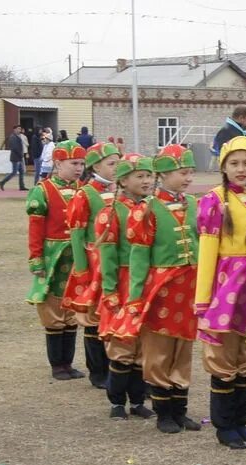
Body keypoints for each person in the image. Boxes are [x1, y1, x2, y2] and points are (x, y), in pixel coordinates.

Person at [114, 144, 201, 434]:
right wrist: (135, 297)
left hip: (190, 288)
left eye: (190, 172)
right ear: (163, 174)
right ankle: (163, 411)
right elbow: (139, 257)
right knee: (160, 349)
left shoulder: (194, 203)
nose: (188, 178)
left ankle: (180, 409)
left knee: (184, 349)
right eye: (182, 173)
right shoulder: (147, 210)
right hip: (161, 290)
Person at [195, 136, 246, 450]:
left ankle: (242, 423)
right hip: (227, 287)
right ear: (223, 167)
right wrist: (203, 298)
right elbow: (208, 250)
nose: (241, 169)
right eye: (234, 163)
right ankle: (224, 425)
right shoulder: (214, 200)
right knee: (224, 355)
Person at [96, 154, 156, 420]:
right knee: (123, 345)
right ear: (123, 180)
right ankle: (117, 401)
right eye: (139, 176)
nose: (146, 181)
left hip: (147, 283)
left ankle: (138, 400)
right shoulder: (111, 212)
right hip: (122, 282)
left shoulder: (153, 209)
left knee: (143, 344)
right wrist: (110, 291)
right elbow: (107, 257)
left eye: (149, 175)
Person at [61, 141, 122, 389]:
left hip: (116, 262)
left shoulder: (120, 190)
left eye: (119, 162)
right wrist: (82, 269)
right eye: (112, 163)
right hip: (94, 264)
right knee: (94, 318)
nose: (117, 168)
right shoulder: (85, 194)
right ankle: (98, 372)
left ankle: (117, 367)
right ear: (96, 165)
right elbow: (76, 233)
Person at [26, 140, 85, 379]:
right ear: (58, 163)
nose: (79, 168)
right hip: (54, 257)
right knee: (53, 308)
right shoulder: (43, 190)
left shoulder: (83, 188)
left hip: (77, 257)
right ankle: (57, 365)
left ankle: (69, 363)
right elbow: (35, 229)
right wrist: (36, 259)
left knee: (71, 310)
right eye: (74, 163)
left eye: (82, 163)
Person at [0, 125, 27, 191]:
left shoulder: (17, 137)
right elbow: (15, 148)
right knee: (14, 172)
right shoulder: (13, 137)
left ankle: (22, 186)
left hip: (19, 157)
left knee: (22, 172)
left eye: (20, 129)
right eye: (18, 129)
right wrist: (21, 155)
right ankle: (2, 182)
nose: (19, 130)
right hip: (15, 158)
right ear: (14, 130)